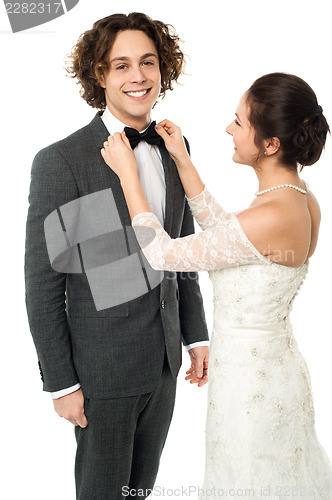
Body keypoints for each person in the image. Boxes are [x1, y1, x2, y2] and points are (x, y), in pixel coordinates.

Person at [101, 72, 332, 498]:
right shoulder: (297, 197)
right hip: (264, 368)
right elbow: (232, 238)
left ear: (270, 144)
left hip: (253, 387)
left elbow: (164, 255)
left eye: (239, 122)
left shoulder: (274, 214)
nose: (229, 129)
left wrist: (128, 176)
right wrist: (183, 161)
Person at [24, 12, 209, 500]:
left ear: (162, 70)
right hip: (101, 373)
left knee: (139, 493)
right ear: (100, 75)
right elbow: (44, 282)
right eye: (121, 65)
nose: (138, 77)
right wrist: (61, 383)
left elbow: (182, 250)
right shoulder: (61, 161)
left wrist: (196, 337)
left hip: (166, 365)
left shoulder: (175, 145)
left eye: (148, 63)